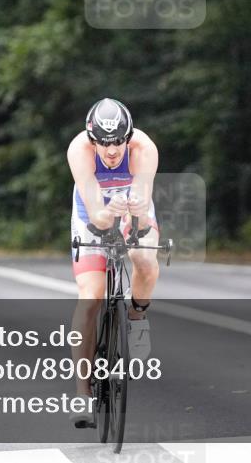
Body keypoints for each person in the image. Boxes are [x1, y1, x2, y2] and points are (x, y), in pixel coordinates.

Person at [66, 98, 160, 427]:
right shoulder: (79, 150)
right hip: (93, 214)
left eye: (118, 141)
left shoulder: (144, 148)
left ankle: (136, 316)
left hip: (132, 211)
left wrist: (134, 209)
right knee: (90, 296)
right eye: (104, 144)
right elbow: (96, 214)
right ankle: (82, 393)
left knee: (144, 259)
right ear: (92, 140)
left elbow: (144, 203)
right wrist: (108, 212)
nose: (111, 151)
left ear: (128, 136)